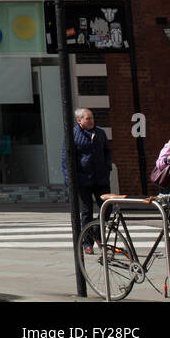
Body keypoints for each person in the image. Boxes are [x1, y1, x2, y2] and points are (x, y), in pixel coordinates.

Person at [63, 108, 112, 252]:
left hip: (101, 179)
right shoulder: (72, 135)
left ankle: (97, 232)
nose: (91, 121)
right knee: (86, 212)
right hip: (83, 180)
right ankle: (87, 242)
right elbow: (66, 159)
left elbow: (107, 151)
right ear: (79, 120)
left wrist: (107, 167)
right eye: (87, 119)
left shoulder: (100, 133)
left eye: (92, 118)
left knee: (107, 207)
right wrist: (70, 179)